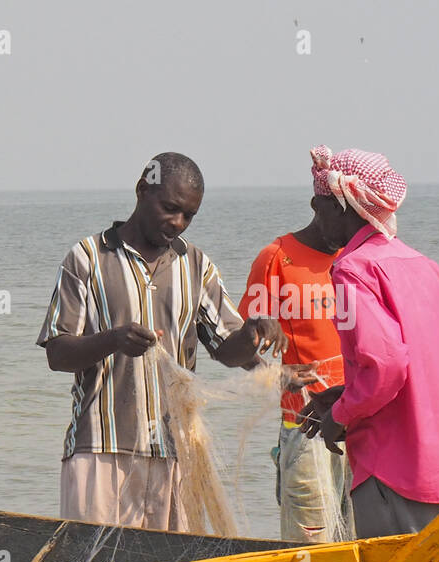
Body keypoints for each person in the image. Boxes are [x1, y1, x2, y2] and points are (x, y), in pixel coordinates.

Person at [38, 153, 285, 533]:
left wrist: (253, 334)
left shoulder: (197, 266)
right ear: (141, 191)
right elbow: (58, 353)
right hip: (101, 451)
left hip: (176, 453)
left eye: (188, 215)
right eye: (170, 208)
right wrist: (113, 339)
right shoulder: (87, 258)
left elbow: (225, 349)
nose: (178, 223)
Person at [300, 147, 439, 536]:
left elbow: (387, 365)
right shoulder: (423, 265)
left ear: (341, 207)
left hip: (394, 472)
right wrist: (347, 394)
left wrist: (341, 417)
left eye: (320, 207)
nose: (317, 218)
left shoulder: (352, 269)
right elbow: (424, 366)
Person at [237, 164, 354, 542]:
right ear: (317, 205)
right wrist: (273, 373)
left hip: (361, 425)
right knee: (310, 547)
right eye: (344, 210)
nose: (353, 222)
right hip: (306, 425)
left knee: (359, 542)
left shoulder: (356, 259)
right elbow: (242, 340)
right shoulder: (277, 258)